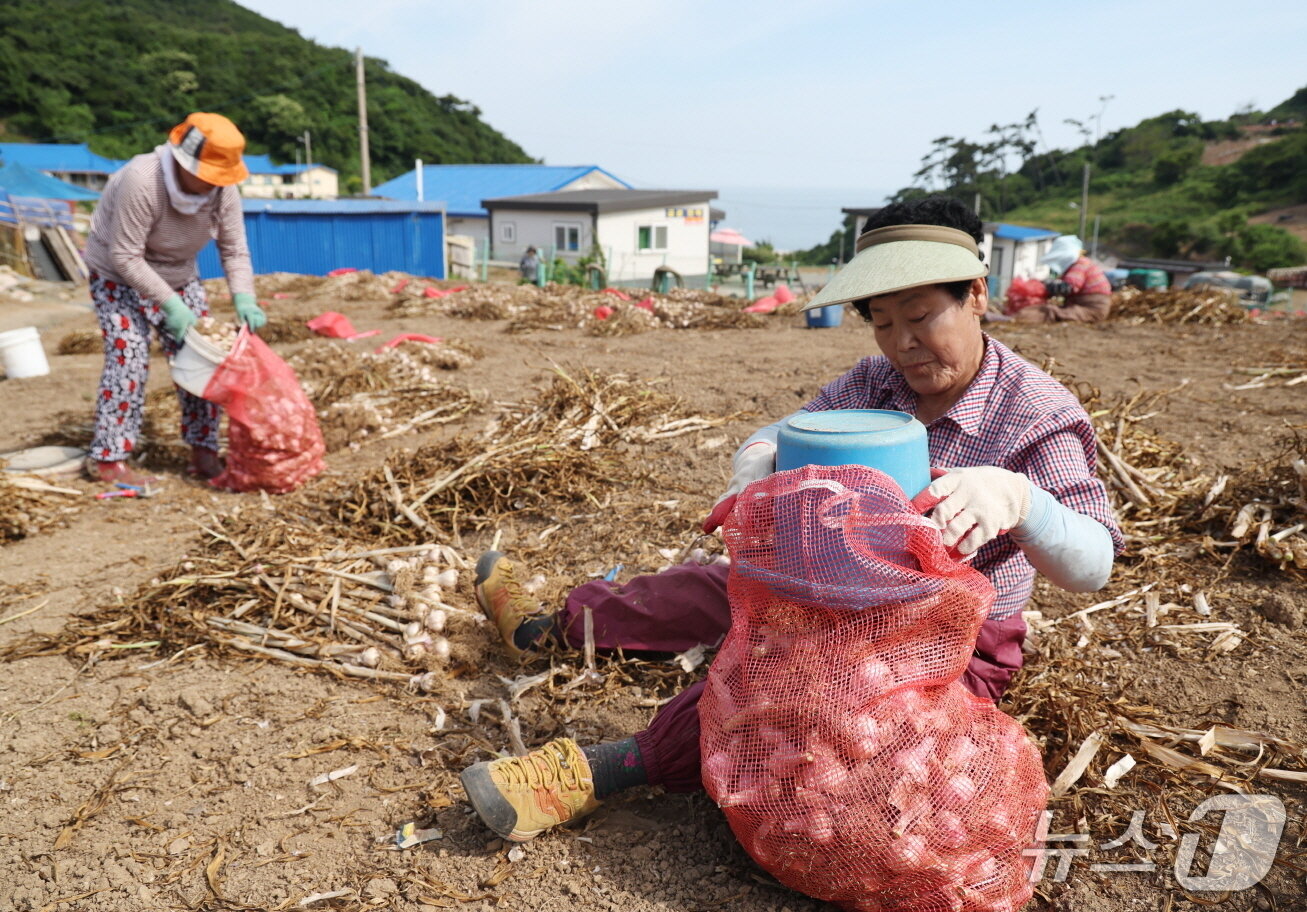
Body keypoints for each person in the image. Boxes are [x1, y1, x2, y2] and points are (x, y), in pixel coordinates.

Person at [458, 196, 1123, 844]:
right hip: (828, 590)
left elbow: (1091, 564)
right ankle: (554, 626)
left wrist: (1021, 502)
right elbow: (783, 430)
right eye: (882, 323)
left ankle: (606, 769)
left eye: (921, 316)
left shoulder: (1033, 412)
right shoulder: (874, 384)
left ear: (976, 294)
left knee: (798, 684)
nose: (903, 345)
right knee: (704, 590)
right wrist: (757, 459)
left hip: (948, 641)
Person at [82, 112, 265, 484]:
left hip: (179, 274)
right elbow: (126, 256)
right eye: (207, 174)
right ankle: (108, 459)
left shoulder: (223, 190)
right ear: (184, 162)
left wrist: (244, 297)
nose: (212, 183)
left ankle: (203, 450)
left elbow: (234, 250)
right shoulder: (142, 180)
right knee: (129, 357)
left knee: (203, 358)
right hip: (118, 277)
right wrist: (171, 305)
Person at [1014, 235, 1113, 324]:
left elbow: (1069, 287)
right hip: (1084, 306)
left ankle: (1016, 318)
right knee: (1047, 309)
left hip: (1092, 309)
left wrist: (1048, 287)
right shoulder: (1077, 266)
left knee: (1050, 311)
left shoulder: (1081, 264)